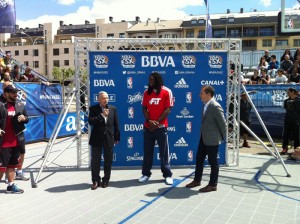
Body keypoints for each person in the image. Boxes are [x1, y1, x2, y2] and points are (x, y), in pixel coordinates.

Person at [186, 85, 226, 192]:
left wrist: (223, 138)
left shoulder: (215, 106)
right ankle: (197, 180)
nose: (200, 95)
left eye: (202, 93)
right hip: (204, 138)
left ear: (208, 94)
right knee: (199, 159)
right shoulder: (205, 105)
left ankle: (213, 184)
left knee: (213, 162)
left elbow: (223, 124)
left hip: (212, 140)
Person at [138, 72, 174, 185]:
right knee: (148, 152)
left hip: (161, 127)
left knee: (164, 153)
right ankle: (145, 174)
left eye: (152, 80)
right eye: (149, 80)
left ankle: (167, 175)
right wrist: (149, 121)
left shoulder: (166, 91)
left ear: (158, 80)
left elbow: (168, 109)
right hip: (148, 127)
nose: (150, 82)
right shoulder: (146, 92)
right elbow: (144, 108)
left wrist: (157, 122)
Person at [88, 91, 120, 190]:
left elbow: (116, 124)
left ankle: (106, 179)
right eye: (103, 98)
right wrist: (102, 115)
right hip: (96, 138)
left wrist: (117, 136)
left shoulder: (113, 109)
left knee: (108, 161)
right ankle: (95, 180)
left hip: (109, 138)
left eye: (107, 98)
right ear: (98, 99)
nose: (106, 100)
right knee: (95, 161)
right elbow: (91, 122)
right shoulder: (93, 109)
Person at [0, 85, 29, 193]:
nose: (16, 95)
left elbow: (27, 119)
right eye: (13, 93)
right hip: (3, 142)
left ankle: (10, 186)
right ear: (6, 94)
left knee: (12, 165)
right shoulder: (1, 105)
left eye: (16, 93)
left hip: (16, 141)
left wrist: (24, 118)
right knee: (1, 168)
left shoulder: (20, 105)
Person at [281, 87, 300, 154]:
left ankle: (296, 150)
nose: (287, 93)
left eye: (288, 92)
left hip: (296, 121)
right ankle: (284, 148)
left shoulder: (298, 100)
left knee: (296, 136)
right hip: (287, 120)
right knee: (285, 134)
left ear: (292, 92)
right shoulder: (286, 101)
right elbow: (286, 109)